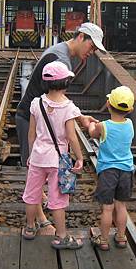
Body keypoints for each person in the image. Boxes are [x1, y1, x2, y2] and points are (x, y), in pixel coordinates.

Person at [16, 22, 103, 228]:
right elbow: (58, 101)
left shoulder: (60, 52)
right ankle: (43, 222)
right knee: (33, 173)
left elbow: (58, 100)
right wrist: (79, 118)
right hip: (31, 119)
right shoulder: (61, 59)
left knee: (36, 172)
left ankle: (39, 210)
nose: (92, 52)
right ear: (81, 37)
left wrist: (80, 117)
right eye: (92, 47)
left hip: (33, 116)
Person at [22, 61, 84, 249]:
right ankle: (62, 236)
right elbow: (72, 137)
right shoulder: (68, 107)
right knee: (57, 200)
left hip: (38, 157)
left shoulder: (36, 103)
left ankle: (30, 227)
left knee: (32, 194)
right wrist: (79, 157)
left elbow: (31, 133)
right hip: (58, 160)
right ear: (65, 82)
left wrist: (32, 154)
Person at [88, 86, 135, 250]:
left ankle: (104, 240)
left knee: (107, 208)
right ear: (131, 109)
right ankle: (121, 237)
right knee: (121, 206)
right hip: (126, 170)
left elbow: (93, 133)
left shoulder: (103, 126)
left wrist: (90, 124)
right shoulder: (130, 124)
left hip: (108, 171)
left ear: (108, 104)